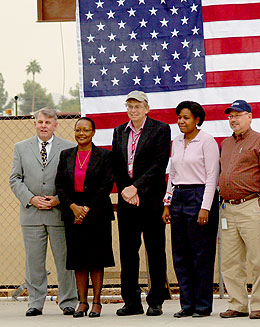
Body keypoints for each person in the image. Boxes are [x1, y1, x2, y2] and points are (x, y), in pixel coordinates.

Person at [9, 107, 77, 316]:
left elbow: (73, 179)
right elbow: (15, 179)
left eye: (48, 122)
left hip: (58, 213)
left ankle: (68, 301)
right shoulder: (20, 148)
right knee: (34, 261)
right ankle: (35, 302)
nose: (44, 126)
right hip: (31, 214)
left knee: (65, 260)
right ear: (35, 124)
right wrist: (31, 198)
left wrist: (59, 199)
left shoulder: (69, 147)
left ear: (56, 125)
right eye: (40, 122)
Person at [112, 90, 171, 316]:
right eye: (130, 106)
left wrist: (136, 187)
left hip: (151, 199)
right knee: (128, 252)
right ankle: (131, 301)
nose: (133, 110)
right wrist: (127, 191)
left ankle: (155, 300)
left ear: (147, 108)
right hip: (127, 202)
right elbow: (117, 165)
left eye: (137, 106)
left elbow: (159, 165)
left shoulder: (160, 130)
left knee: (155, 250)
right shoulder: (119, 132)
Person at [219, 100, 260, 319]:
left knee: (257, 259)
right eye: (230, 116)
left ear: (250, 116)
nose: (233, 120)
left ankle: (258, 305)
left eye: (238, 115)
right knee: (230, 261)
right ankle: (238, 304)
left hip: (250, 206)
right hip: (228, 209)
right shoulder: (225, 144)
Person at [162, 101, 219, 318]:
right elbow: (173, 175)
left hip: (199, 196)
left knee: (200, 254)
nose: (181, 122)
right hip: (178, 198)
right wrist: (167, 203)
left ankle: (202, 305)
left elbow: (212, 176)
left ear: (197, 119)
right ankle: (187, 305)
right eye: (179, 117)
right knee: (181, 254)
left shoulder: (207, 141)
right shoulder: (176, 141)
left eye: (186, 118)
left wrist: (205, 208)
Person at [55, 117, 115, 318]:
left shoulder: (105, 156)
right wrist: (73, 207)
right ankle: (82, 302)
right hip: (73, 213)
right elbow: (60, 185)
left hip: (97, 212)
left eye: (86, 130)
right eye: (78, 130)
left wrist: (86, 208)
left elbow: (106, 185)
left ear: (93, 132)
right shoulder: (66, 155)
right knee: (78, 260)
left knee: (96, 260)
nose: (81, 134)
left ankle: (96, 302)